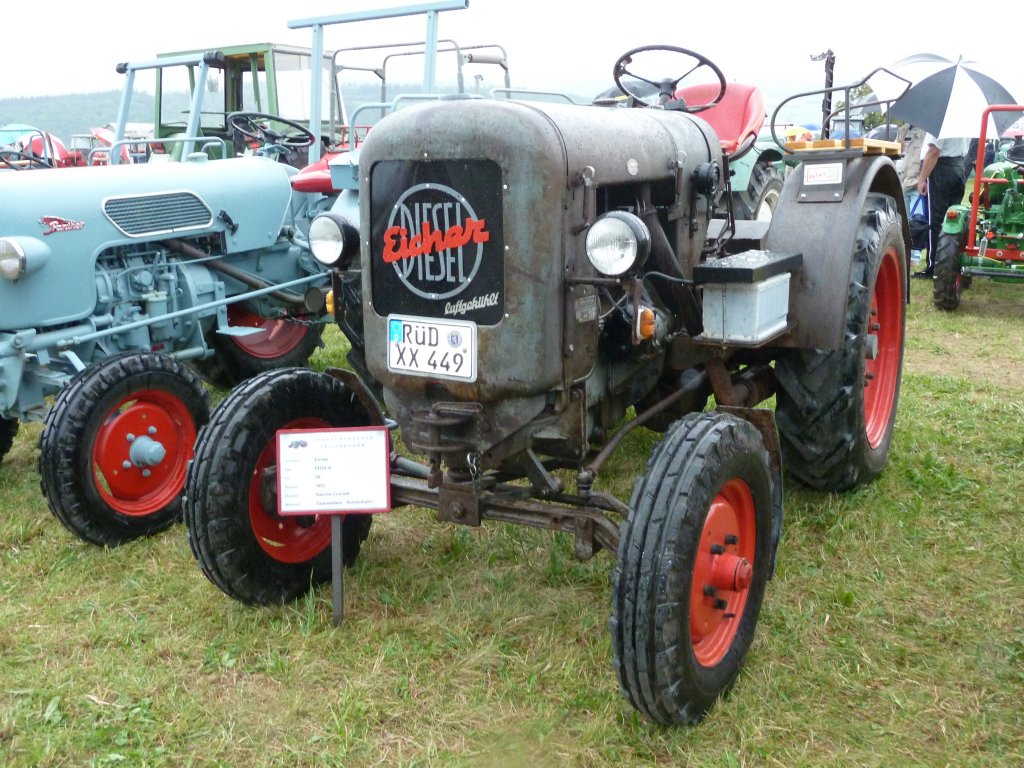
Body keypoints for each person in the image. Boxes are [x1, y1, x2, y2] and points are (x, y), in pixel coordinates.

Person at [914, 132, 971, 279]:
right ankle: (951, 264)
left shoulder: (940, 124)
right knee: (954, 221)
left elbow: (934, 151)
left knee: (936, 221)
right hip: (958, 167)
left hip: (941, 170)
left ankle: (933, 267)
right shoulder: (965, 124)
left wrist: (922, 179)